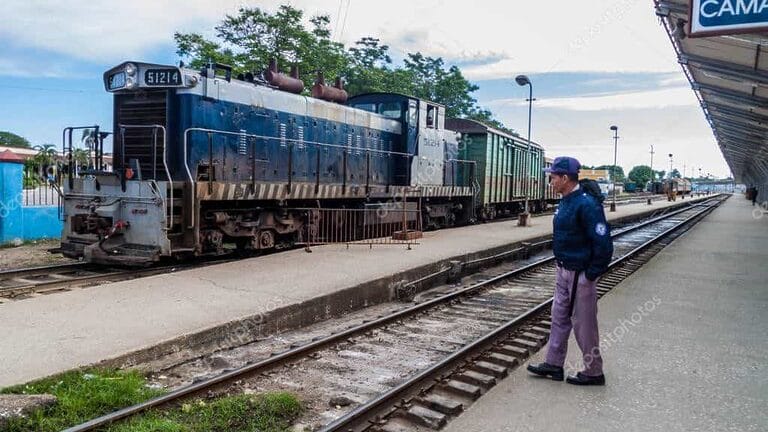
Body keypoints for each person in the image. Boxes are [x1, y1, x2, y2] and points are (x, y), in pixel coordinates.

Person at [527, 156, 614, 385]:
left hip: (580, 273)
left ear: (565, 178)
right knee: (558, 317)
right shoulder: (566, 200)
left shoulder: (586, 205)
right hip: (563, 269)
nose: (550, 181)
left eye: (553, 177)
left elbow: (603, 243)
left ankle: (594, 371)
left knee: (584, 324)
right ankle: (554, 364)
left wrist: (591, 274)